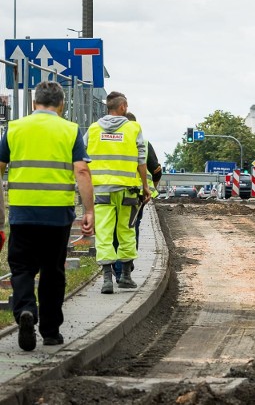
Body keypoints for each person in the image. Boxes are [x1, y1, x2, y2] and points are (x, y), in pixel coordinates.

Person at [0, 81, 94, 351]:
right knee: (53, 272)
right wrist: (88, 211)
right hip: (57, 215)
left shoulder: (15, 128)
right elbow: (82, 172)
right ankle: (51, 332)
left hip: (22, 212)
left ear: (34, 103)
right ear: (62, 105)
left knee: (21, 268)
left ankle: (25, 311)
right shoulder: (70, 130)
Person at [84, 92, 150, 294]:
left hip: (102, 190)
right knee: (126, 231)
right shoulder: (133, 128)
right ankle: (126, 277)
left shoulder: (93, 130)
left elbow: (82, 157)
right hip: (127, 191)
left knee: (104, 232)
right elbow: (141, 159)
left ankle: (106, 280)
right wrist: (145, 186)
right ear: (122, 107)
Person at [112, 111, 162, 281]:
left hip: (111, 191)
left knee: (114, 229)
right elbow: (156, 170)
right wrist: (151, 187)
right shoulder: (144, 143)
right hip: (137, 194)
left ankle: (118, 268)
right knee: (132, 227)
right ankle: (126, 266)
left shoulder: (111, 142)